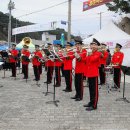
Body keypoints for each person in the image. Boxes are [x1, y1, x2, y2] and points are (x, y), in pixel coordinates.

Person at [84, 38, 101, 111]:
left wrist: (90, 54)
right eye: (92, 44)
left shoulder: (98, 53)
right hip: (89, 73)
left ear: (97, 46)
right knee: (91, 89)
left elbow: (92, 59)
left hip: (94, 74)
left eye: (94, 45)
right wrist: (78, 56)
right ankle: (91, 102)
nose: (92, 46)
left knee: (94, 90)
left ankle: (94, 105)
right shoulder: (91, 53)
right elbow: (86, 61)